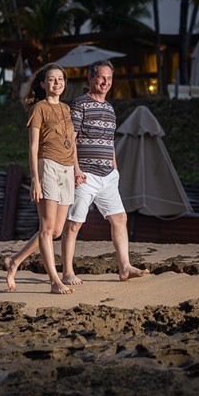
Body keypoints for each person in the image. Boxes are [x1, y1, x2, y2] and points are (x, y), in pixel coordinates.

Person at [61, 59, 149, 284]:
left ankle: (125, 267)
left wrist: (115, 168)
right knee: (74, 223)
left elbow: (109, 142)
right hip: (85, 174)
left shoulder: (110, 109)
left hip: (108, 175)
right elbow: (70, 139)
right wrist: (76, 170)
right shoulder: (79, 104)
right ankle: (68, 271)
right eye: (101, 77)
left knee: (120, 218)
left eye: (109, 78)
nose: (105, 82)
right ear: (90, 78)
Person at [4, 63, 84, 294]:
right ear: (42, 83)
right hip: (47, 166)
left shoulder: (67, 109)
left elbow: (71, 142)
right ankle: (54, 282)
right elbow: (32, 147)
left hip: (67, 169)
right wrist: (35, 180)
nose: (57, 83)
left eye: (60, 79)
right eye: (51, 79)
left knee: (57, 230)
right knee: (47, 229)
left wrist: (76, 169)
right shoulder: (38, 108)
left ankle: (15, 261)